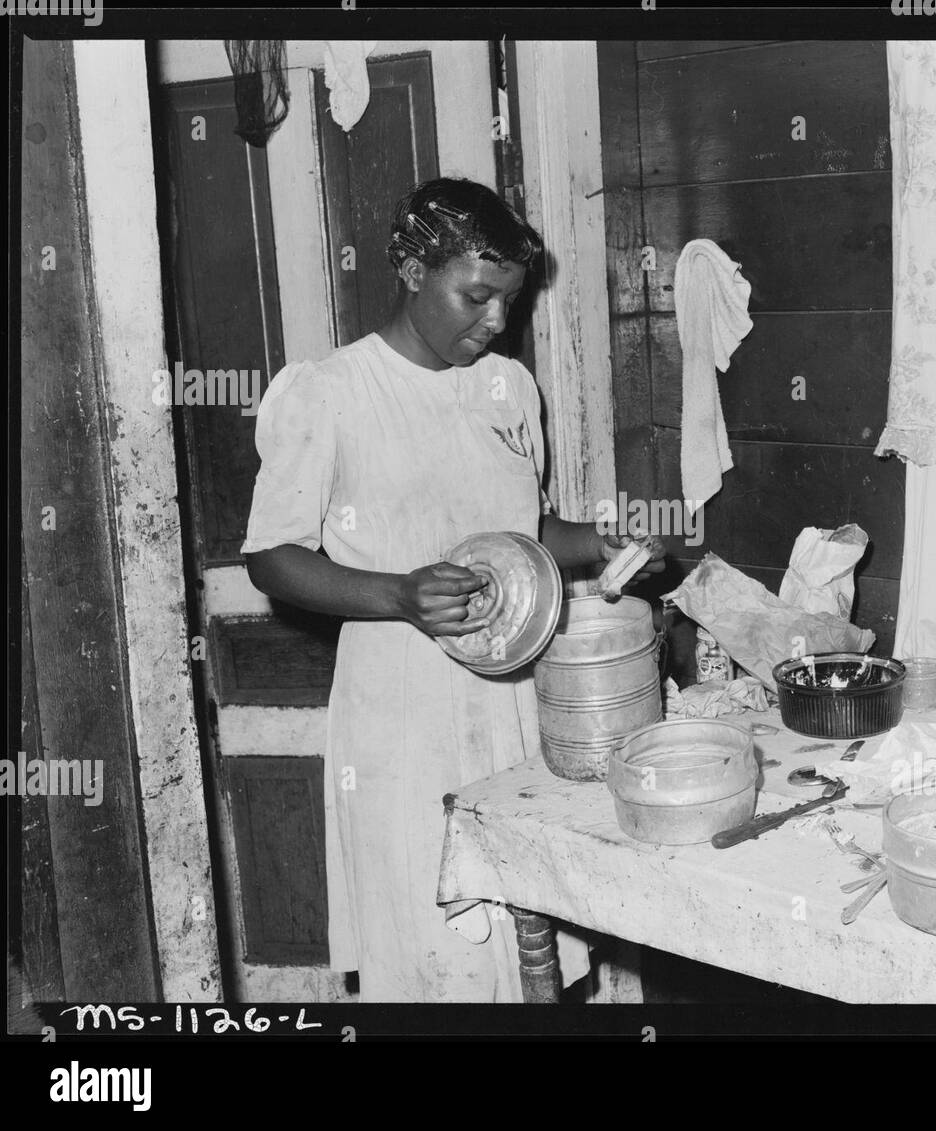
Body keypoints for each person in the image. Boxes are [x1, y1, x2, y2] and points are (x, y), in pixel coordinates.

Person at [242, 178, 664, 1002]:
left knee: (533, 941)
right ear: (410, 270)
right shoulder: (329, 394)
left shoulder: (506, 389)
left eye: (508, 300)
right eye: (476, 296)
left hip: (513, 701)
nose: (497, 322)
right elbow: (270, 557)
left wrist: (597, 543)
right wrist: (400, 593)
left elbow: (522, 529)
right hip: (402, 713)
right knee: (437, 954)